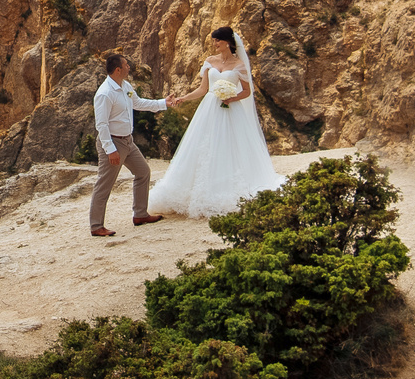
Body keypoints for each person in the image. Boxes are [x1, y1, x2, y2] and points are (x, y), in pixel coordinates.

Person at [145, 24, 282, 219]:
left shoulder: (239, 65)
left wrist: (231, 98)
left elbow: (246, 91)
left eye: (218, 40)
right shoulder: (210, 61)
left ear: (228, 42)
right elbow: (202, 90)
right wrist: (184, 98)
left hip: (229, 110)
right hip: (209, 108)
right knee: (202, 146)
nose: (215, 44)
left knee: (228, 147)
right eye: (214, 40)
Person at [88, 53, 196, 237]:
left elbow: (138, 103)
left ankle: (140, 214)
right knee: (104, 184)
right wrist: (110, 149)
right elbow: (102, 125)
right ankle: (96, 226)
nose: (130, 67)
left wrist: (164, 103)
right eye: (126, 65)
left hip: (127, 141)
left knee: (143, 172)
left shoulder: (125, 86)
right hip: (113, 143)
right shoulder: (105, 93)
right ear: (118, 69)